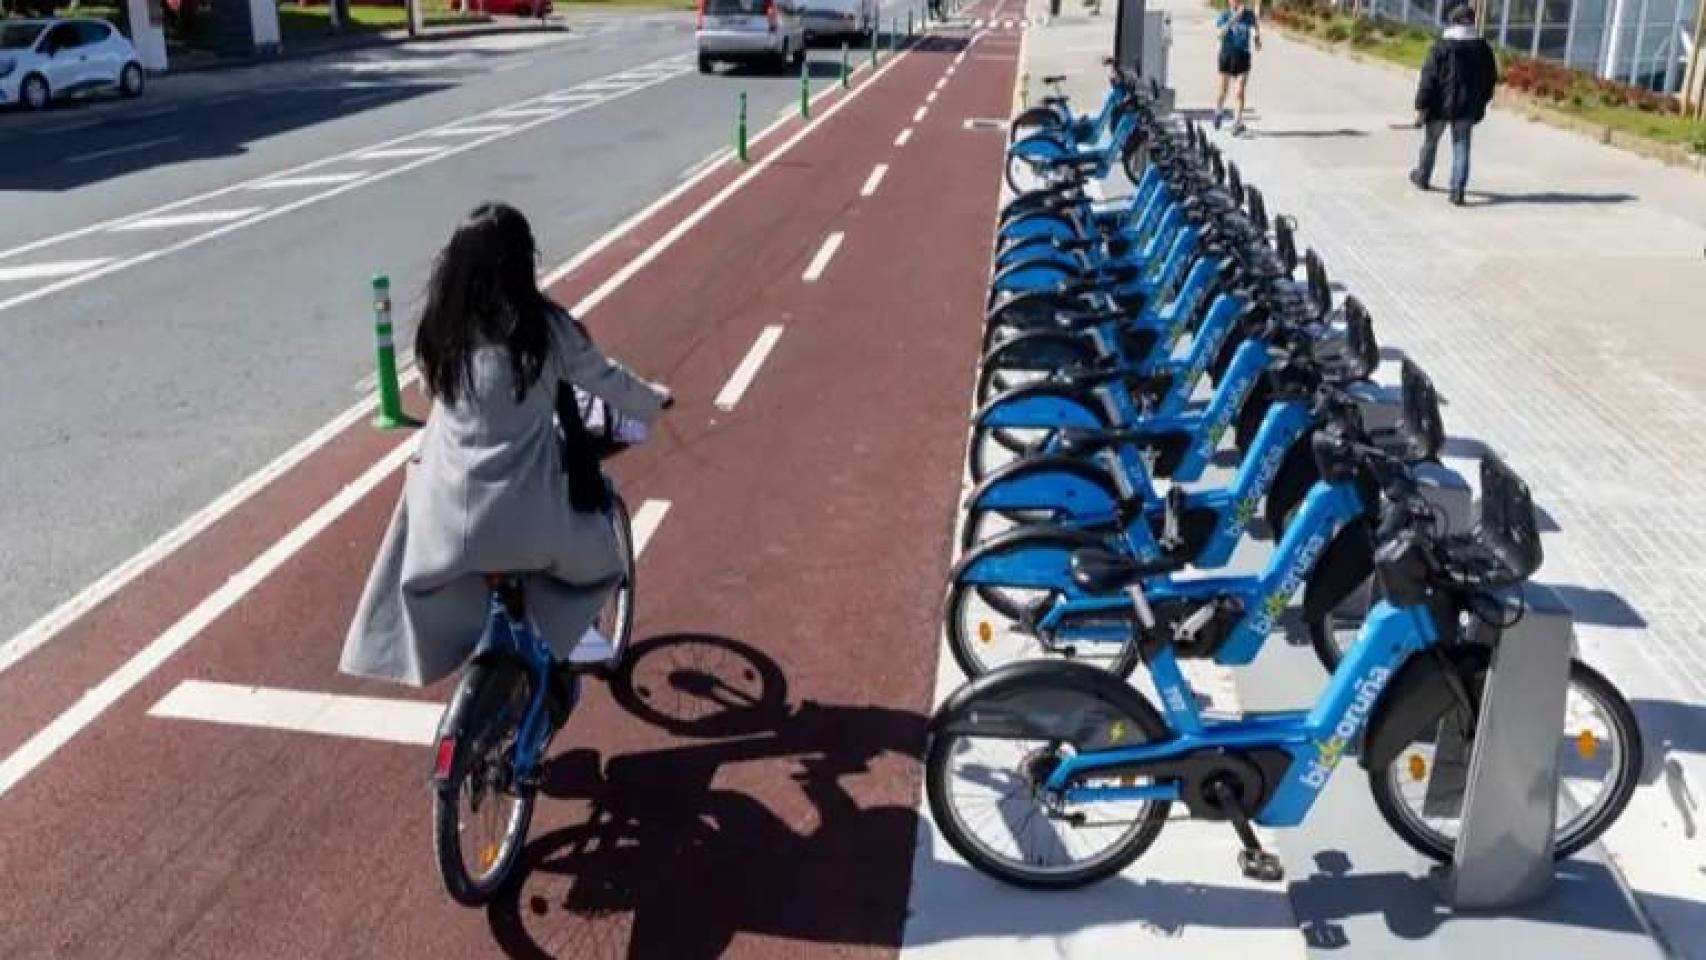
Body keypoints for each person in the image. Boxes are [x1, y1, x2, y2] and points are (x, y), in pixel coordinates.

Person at [341, 203, 671, 690]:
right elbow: (606, 380)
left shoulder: (440, 331)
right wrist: (653, 403)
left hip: (444, 526)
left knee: (421, 512)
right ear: (523, 264)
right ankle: (571, 635)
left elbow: (436, 394)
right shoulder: (545, 331)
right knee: (596, 561)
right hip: (527, 526)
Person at [1410, 3, 1498, 206]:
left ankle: (1423, 176)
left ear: (1452, 22)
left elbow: (1428, 79)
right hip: (1467, 107)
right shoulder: (1482, 48)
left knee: (1431, 142)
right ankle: (1457, 190)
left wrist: (1420, 105)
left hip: (1439, 105)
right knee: (1461, 146)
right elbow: (1490, 78)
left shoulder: (1441, 47)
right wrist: (1482, 101)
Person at [1213, 0, 1261, 135]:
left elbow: (1255, 28)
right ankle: (1218, 111)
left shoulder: (1249, 15)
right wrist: (1234, 19)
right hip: (1227, 54)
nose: (1237, 2)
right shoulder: (1225, 14)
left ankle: (1237, 122)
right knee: (1223, 90)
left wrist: (1257, 40)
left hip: (1243, 55)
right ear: (1229, 2)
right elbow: (1219, 34)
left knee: (1240, 91)